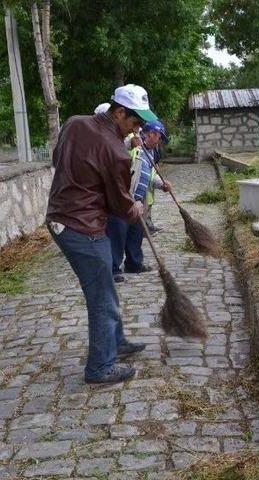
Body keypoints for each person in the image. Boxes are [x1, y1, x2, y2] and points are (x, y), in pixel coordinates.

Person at [45, 84, 157, 384]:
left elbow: (57, 160)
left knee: (105, 288)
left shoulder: (74, 122)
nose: (138, 130)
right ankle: (100, 367)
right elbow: (119, 203)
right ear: (119, 112)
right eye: (135, 122)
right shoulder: (116, 151)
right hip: (83, 228)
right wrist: (135, 209)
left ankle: (116, 342)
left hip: (59, 218)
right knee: (101, 300)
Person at [106, 120, 172, 283]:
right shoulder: (132, 143)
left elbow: (148, 176)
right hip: (122, 197)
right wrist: (132, 142)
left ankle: (134, 264)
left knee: (135, 233)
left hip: (138, 200)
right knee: (118, 234)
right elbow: (123, 146)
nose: (160, 141)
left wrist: (161, 184)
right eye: (159, 137)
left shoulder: (150, 152)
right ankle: (113, 270)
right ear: (152, 134)